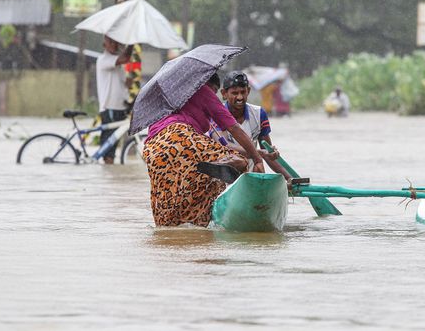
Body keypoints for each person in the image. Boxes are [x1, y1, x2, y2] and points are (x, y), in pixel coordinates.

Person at [143, 73, 265, 227]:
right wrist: (257, 158)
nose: (213, 96)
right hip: (181, 136)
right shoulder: (202, 90)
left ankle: (171, 231)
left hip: (153, 149)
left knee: (170, 195)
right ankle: (221, 163)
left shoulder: (171, 94)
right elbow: (234, 128)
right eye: (214, 91)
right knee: (239, 162)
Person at [209, 71, 292, 181]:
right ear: (224, 94)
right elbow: (225, 146)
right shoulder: (216, 114)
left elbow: (268, 153)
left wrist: (289, 178)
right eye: (234, 93)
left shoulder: (259, 113)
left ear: (248, 91)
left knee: (259, 166)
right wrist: (259, 153)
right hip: (225, 171)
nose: (240, 97)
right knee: (240, 161)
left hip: (251, 172)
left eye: (243, 92)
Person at [96, 35, 133, 164]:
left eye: (115, 42)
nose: (113, 44)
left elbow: (124, 83)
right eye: (110, 42)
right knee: (109, 148)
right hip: (110, 107)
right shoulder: (104, 59)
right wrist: (132, 43)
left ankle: (109, 166)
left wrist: (129, 82)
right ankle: (107, 168)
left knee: (114, 143)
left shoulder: (118, 64)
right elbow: (125, 58)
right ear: (104, 44)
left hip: (120, 107)